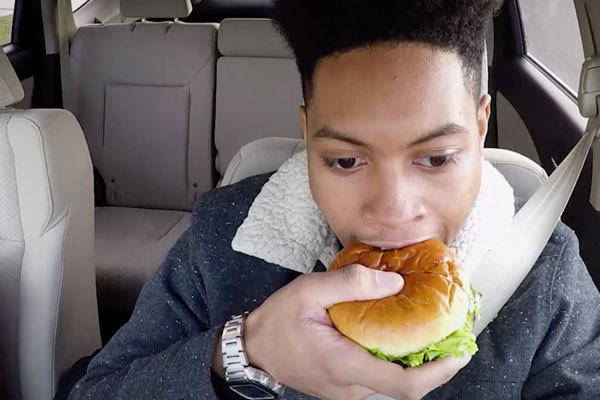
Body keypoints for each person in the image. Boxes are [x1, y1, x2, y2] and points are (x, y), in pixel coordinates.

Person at [68, 1, 600, 399]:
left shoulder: (544, 272)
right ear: (307, 131)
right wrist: (241, 353)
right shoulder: (222, 238)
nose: (393, 210)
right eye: (346, 161)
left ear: (480, 127)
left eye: (436, 158)